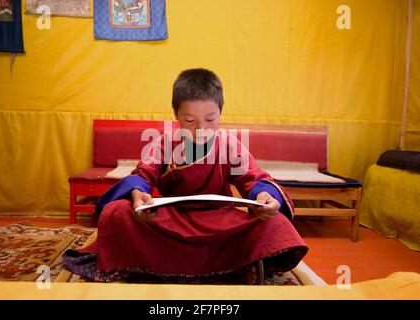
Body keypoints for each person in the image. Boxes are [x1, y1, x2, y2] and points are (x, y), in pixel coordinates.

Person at [63, 68, 308, 284]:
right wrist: (139, 196)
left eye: (210, 119)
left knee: (275, 223)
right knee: (116, 213)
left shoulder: (229, 145)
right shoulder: (164, 143)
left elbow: (253, 180)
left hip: (218, 224)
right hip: (171, 221)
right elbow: (142, 176)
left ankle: (161, 267)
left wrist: (264, 196)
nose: (201, 129)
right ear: (176, 115)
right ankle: (233, 267)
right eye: (190, 120)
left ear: (220, 112)